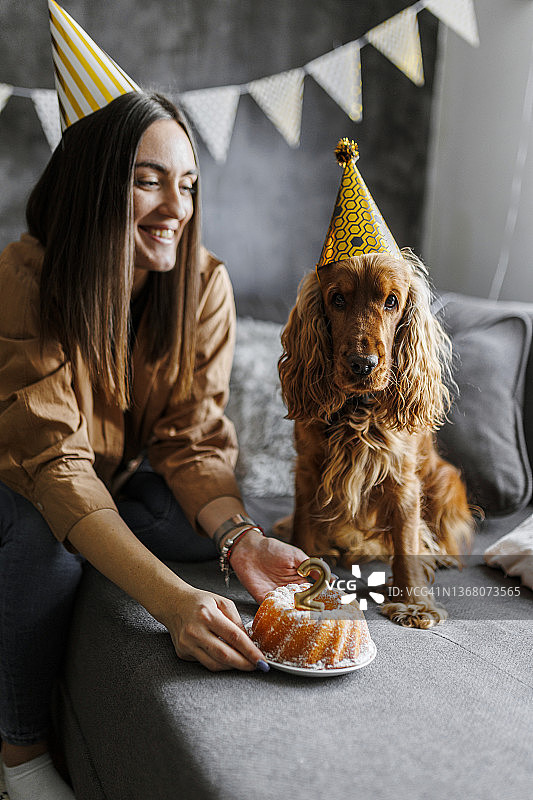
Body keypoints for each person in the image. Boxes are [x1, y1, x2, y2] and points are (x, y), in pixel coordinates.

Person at [0, 90, 310, 800]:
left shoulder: (201, 286)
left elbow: (193, 439)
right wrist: (173, 603)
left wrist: (238, 538)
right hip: (19, 480)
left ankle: (102, 544)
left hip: (113, 476)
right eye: (148, 179)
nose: (176, 206)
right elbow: (54, 465)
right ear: (93, 184)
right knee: (44, 538)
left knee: (201, 525)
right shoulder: (23, 280)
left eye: (188, 183)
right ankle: (19, 751)